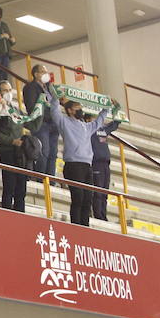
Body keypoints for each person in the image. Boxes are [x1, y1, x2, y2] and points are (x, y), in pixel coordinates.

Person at [47, 85, 111, 227]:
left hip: (87, 165)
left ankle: (85, 228)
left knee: (88, 199)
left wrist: (106, 108)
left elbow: (99, 121)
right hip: (73, 165)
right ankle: (76, 226)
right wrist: (55, 96)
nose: (80, 110)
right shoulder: (64, 122)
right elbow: (55, 110)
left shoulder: (86, 126)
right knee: (78, 198)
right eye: (77, 107)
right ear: (69, 110)